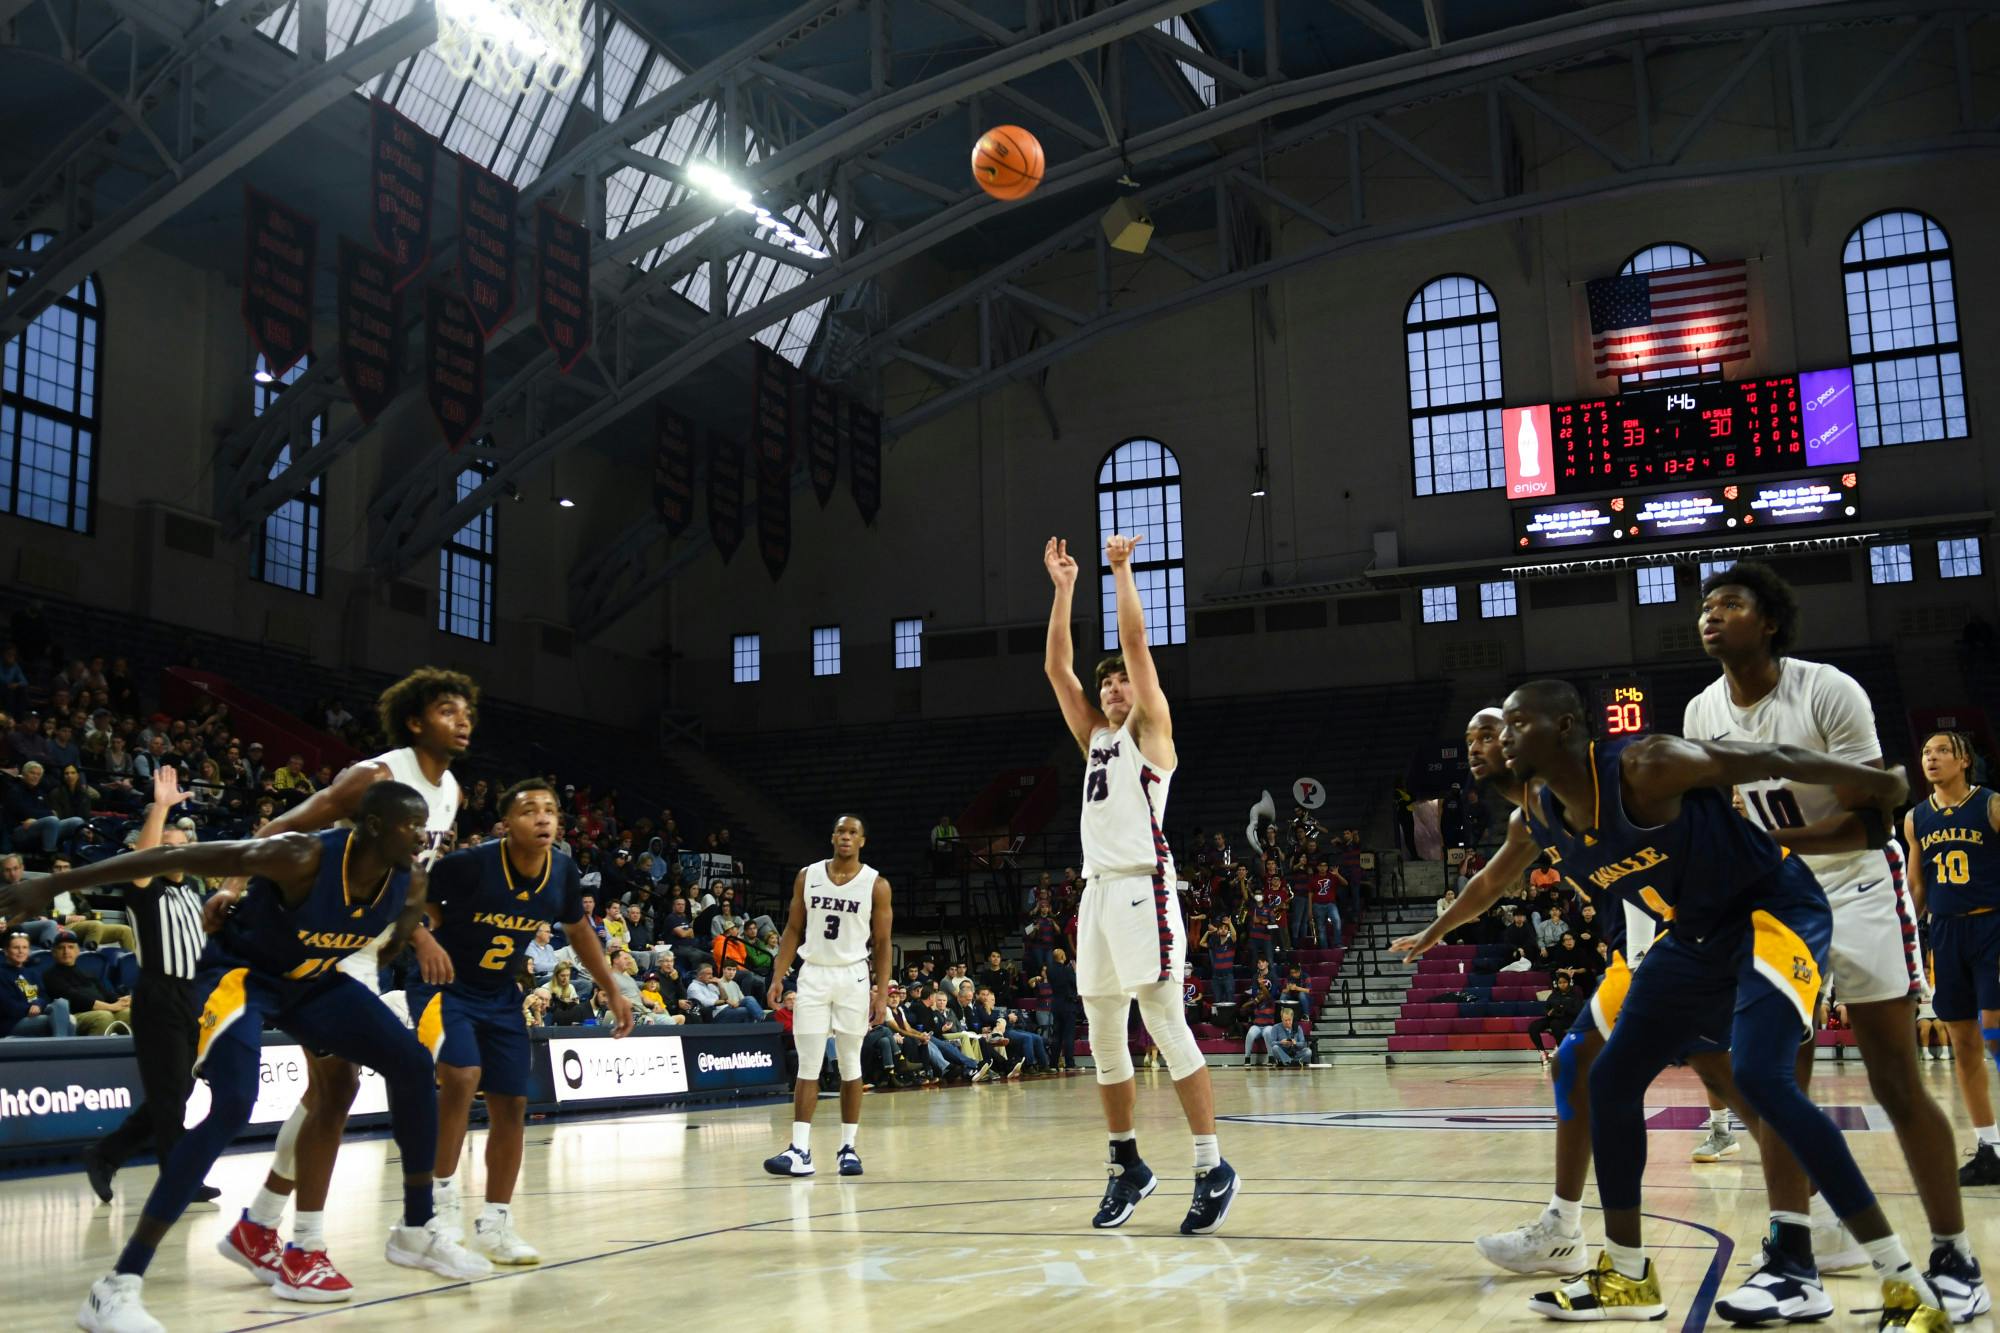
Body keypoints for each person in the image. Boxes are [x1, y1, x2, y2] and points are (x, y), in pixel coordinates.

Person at [1403, 680, 1944, 1327]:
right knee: (1608, 1078)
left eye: (1518, 723)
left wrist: (1876, 782)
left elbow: (1770, 756)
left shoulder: (1646, 765)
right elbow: (1492, 879)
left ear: (1568, 726)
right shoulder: (1538, 816)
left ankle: (1904, 1282)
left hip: (1774, 904)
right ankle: (1628, 1276)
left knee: (1759, 1077)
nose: (1503, 736)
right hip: (1694, 932)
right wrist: (1434, 932)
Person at [0, 783, 490, 1333]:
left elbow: (400, 923)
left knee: (409, 1061)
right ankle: (115, 1287)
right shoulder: (301, 855)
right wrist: (55, 883)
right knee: (233, 1105)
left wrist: (415, 938)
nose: (423, 836)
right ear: (374, 826)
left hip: (311, 984)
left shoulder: (409, 879)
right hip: (240, 976)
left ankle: (416, 1226)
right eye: (411, 825)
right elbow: (174, 855)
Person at [1688, 563, 1985, 1319]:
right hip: (1778, 902)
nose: (1711, 614)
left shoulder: (1827, 690)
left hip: (1857, 885)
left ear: (1771, 622)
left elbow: (1873, 821)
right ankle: (1793, 1261)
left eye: (1731, 603)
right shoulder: (1700, 712)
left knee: (1894, 1075)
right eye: (1706, 606)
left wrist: (1775, 840)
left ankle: (1954, 1251)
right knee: (1777, 1079)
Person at [208, 667, 474, 1300]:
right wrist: (231, 884)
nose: (463, 720)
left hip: (371, 946)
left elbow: (415, 872)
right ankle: (305, 1242)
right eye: (447, 710)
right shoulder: (374, 777)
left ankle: (263, 1224)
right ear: (414, 721)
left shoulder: (453, 791)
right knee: (338, 1084)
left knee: (335, 1088)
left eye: (467, 711)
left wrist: (419, 927)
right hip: (323, 940)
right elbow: (289, 825)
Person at [1042, 534, 1235, 1235]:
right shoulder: (1095, 738)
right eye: (1106, 684)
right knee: (1099, 1028)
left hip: (1142, 888)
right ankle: (1127, 1162)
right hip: (1096, 893)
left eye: (1119, 679)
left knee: (1162, 1020)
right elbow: (1057, 669)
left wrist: (1120, 571)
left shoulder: (1153, 735)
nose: (1111, 687)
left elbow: (1138, 643)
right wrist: (1064, 587)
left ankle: (1212, 1164)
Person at [409, 778, 631, 1264]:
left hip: (498, 995)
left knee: (512, 1105)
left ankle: (496, 1223)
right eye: (530, 810)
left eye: (551, 809)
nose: (544, 818)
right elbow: (412, 897)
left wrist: (612, 989)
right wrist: (424, 939)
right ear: (506, 823)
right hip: (444, 988)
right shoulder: (469, 865)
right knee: (462, 1077)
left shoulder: (563, 872)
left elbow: (579, 932)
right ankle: (439, 1210)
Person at [83, 769, 221, 1206]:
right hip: (158, 994)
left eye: (179, 848)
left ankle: (107, 1152)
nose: (171, 854)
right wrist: (160, 808)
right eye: (165, 848)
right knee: (168, 1094)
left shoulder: (193, 893)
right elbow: (143, 860)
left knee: (179, 1090)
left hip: (191, 997)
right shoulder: (148, 890)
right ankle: (177, 1179)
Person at [762, 815, 892, 1178]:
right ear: (832, 836)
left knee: (851, 1064)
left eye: (853, 833)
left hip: (852, 976)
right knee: (808, 1063)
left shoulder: (875, 884)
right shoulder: (808, 875)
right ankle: (799, 1150)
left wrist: (881, 992)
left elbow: (882, 944)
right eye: (840, 831)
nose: (845, 837)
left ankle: (848, 1148)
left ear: (862, 840)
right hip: (813, 974)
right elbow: (792, 928)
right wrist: (778, 975)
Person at [1905, 731, 2000, 1185]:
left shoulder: (1992, 805)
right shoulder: (1916, 818)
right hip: (1945, 931)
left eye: (1942, 750)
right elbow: (1917, 890)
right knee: (1962, 1041)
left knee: (1995, 1033)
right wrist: (1903, 939)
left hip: (1992, 926)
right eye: (1926, 752)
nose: (1932, 758)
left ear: (1964, 760)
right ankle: (1991, 1148)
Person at [0, 928, 74, 1036]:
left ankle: (60, 1044)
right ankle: (62, 1047)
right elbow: (7, 1005)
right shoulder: (2, 973)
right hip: (13, 1022)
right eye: (16, 947)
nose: (21, 951)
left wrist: (37, 1005)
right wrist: (29, 1009)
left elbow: (44, 997)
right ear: (6, 951)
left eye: (25, 947)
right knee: (66, 1023)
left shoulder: (32, 973)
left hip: (37, 1013)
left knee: (61, 1003)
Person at [1527, 972, 1584, 1061]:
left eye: (1564, 982)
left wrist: (1564, 1008)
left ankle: (1562, 1050)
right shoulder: (1554, 995)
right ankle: (1542, 1052)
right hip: (1553, 1017)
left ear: (1570, 983)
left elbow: (1578, 1011)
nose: (1562, 985)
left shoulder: (1575, 995)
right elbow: (1546, 1008)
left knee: (1555, 1024)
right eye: (1560, 983)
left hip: (1568, 1018)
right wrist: (1548, 1012)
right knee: (1533, 1026)